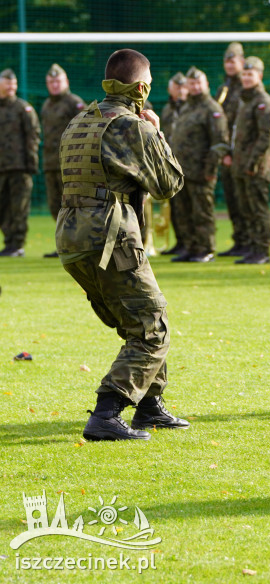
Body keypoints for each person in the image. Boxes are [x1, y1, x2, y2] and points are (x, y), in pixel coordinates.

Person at [56, 48, 188, 440]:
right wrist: (158, 132)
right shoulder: (134, 126)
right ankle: (107, 412)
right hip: (109, 237)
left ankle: (149, 406)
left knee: (137, 320)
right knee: (152, 327)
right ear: (142, 87)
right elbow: (168, 184)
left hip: (72, 238)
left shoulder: (79, 120)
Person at [170, 67, 230, 262]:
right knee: (184, 212)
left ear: (206, 85)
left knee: (202, 212)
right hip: (181, 172)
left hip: (201, 171)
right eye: (191, 83)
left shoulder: (212, 108)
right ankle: (191, 247)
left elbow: (220, 143)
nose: (195, 86)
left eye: (198, 83)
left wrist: (210, 170)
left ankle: (206, 249)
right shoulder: (186, 107)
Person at [229, 56, 270, 265]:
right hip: (241, 165)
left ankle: (262, 250)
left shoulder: (263, 102)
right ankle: (252, 247)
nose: (246, 78)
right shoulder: (245, 101)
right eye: (244, 74)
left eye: (250, 74)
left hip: (255, 167)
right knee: (246, 208)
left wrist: (252, 163)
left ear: (260, 75)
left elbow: (265, 137)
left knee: (258, 209)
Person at [40, 64, 86, 257]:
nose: (54, 85)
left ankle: (76, 245)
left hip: (70, 165)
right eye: (51, 82)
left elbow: (84, 132)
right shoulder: (46, 105)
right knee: (55, 206)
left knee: (72, 206)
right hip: (51, 163)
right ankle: (64, 244)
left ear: (66, 82)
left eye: (58, 81)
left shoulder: (74, 103)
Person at [0, 68, 40, 258]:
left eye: (14, 83)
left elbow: (33, 136)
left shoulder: (24, 108)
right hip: (1, 168)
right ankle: (9, 243)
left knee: (19, 208)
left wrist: (31, 164)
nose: (11, 87)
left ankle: (16, 245)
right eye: (7, 83)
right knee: (3, 208)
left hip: (19, 167)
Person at [215, 42, 249, 257]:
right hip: (227, 153)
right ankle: (239, 240)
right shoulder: (223, 89)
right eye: (227, 61)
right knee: (232, 200)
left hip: (242, 152)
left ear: (242, 62)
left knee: (245, 200)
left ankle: (250, 241)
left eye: (233, 60)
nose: (229, 64)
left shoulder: (247, 86)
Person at [161, 72, 190, 258]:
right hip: (171, 165)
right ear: (170, 89)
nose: (180, 90)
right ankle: (181, 242)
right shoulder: (167, 110)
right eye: (176, 87)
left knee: (190, 207)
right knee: (176, 207)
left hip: (190, 164)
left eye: (183, 86)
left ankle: (191, 244)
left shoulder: (192, 108)